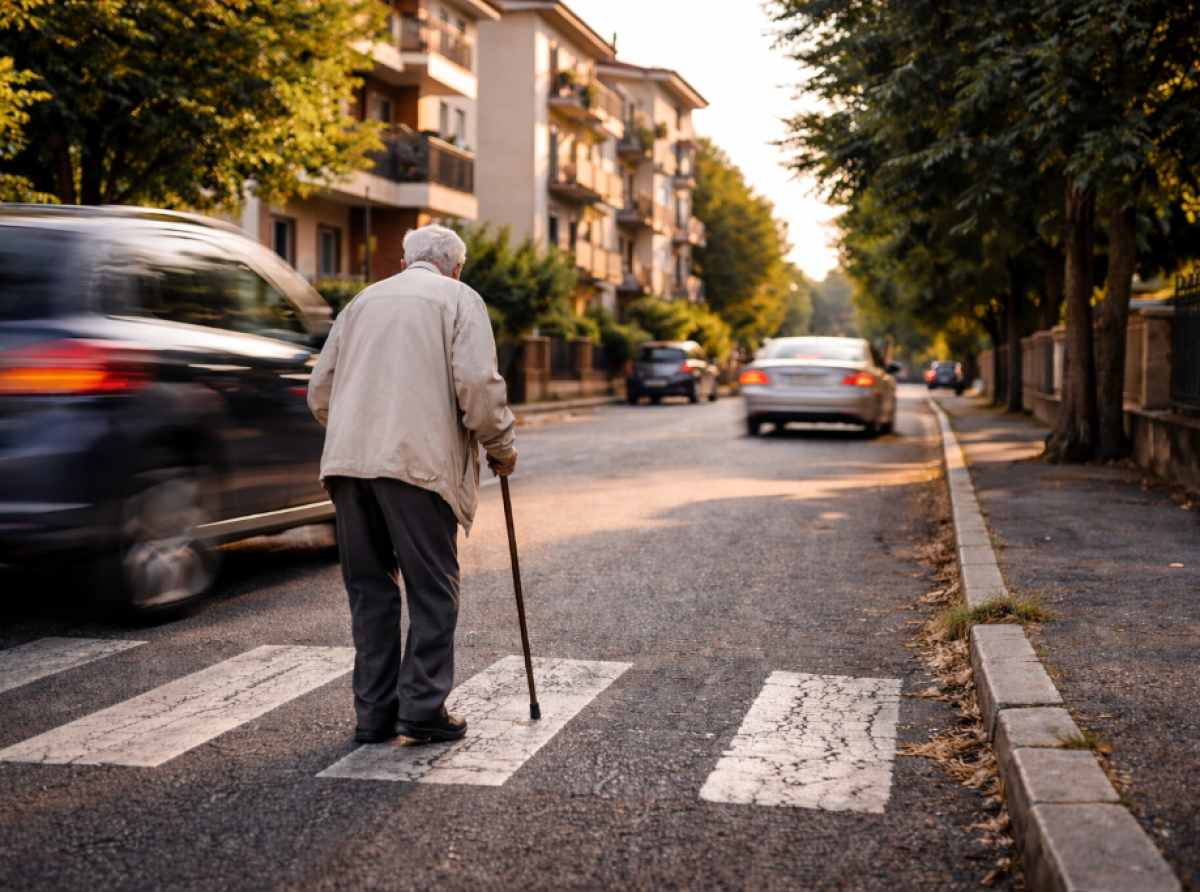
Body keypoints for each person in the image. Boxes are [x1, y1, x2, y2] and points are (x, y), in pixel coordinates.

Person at [307, 224, 517, 745]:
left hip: (349, 465)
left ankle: (374, 715)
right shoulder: (459, 298)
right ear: (456, 266)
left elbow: (320, 391)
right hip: (417, 467)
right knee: (432, 590)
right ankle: (422, 708)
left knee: (370, 590)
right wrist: (501, 448)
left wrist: (359, 432)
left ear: (404, 263)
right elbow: (478, 389)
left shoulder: (361, 301)